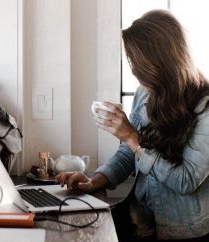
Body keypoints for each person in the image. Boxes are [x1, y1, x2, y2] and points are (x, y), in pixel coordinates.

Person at [55, 9, 209, 241]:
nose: (134, 70)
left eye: (137, 62)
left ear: (160, 60)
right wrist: (94, 180)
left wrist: (132, 138)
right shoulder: (144, 94)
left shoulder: (204, 106)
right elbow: (129, 154)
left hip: (183, 230)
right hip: (141, 221)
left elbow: (185, 180)